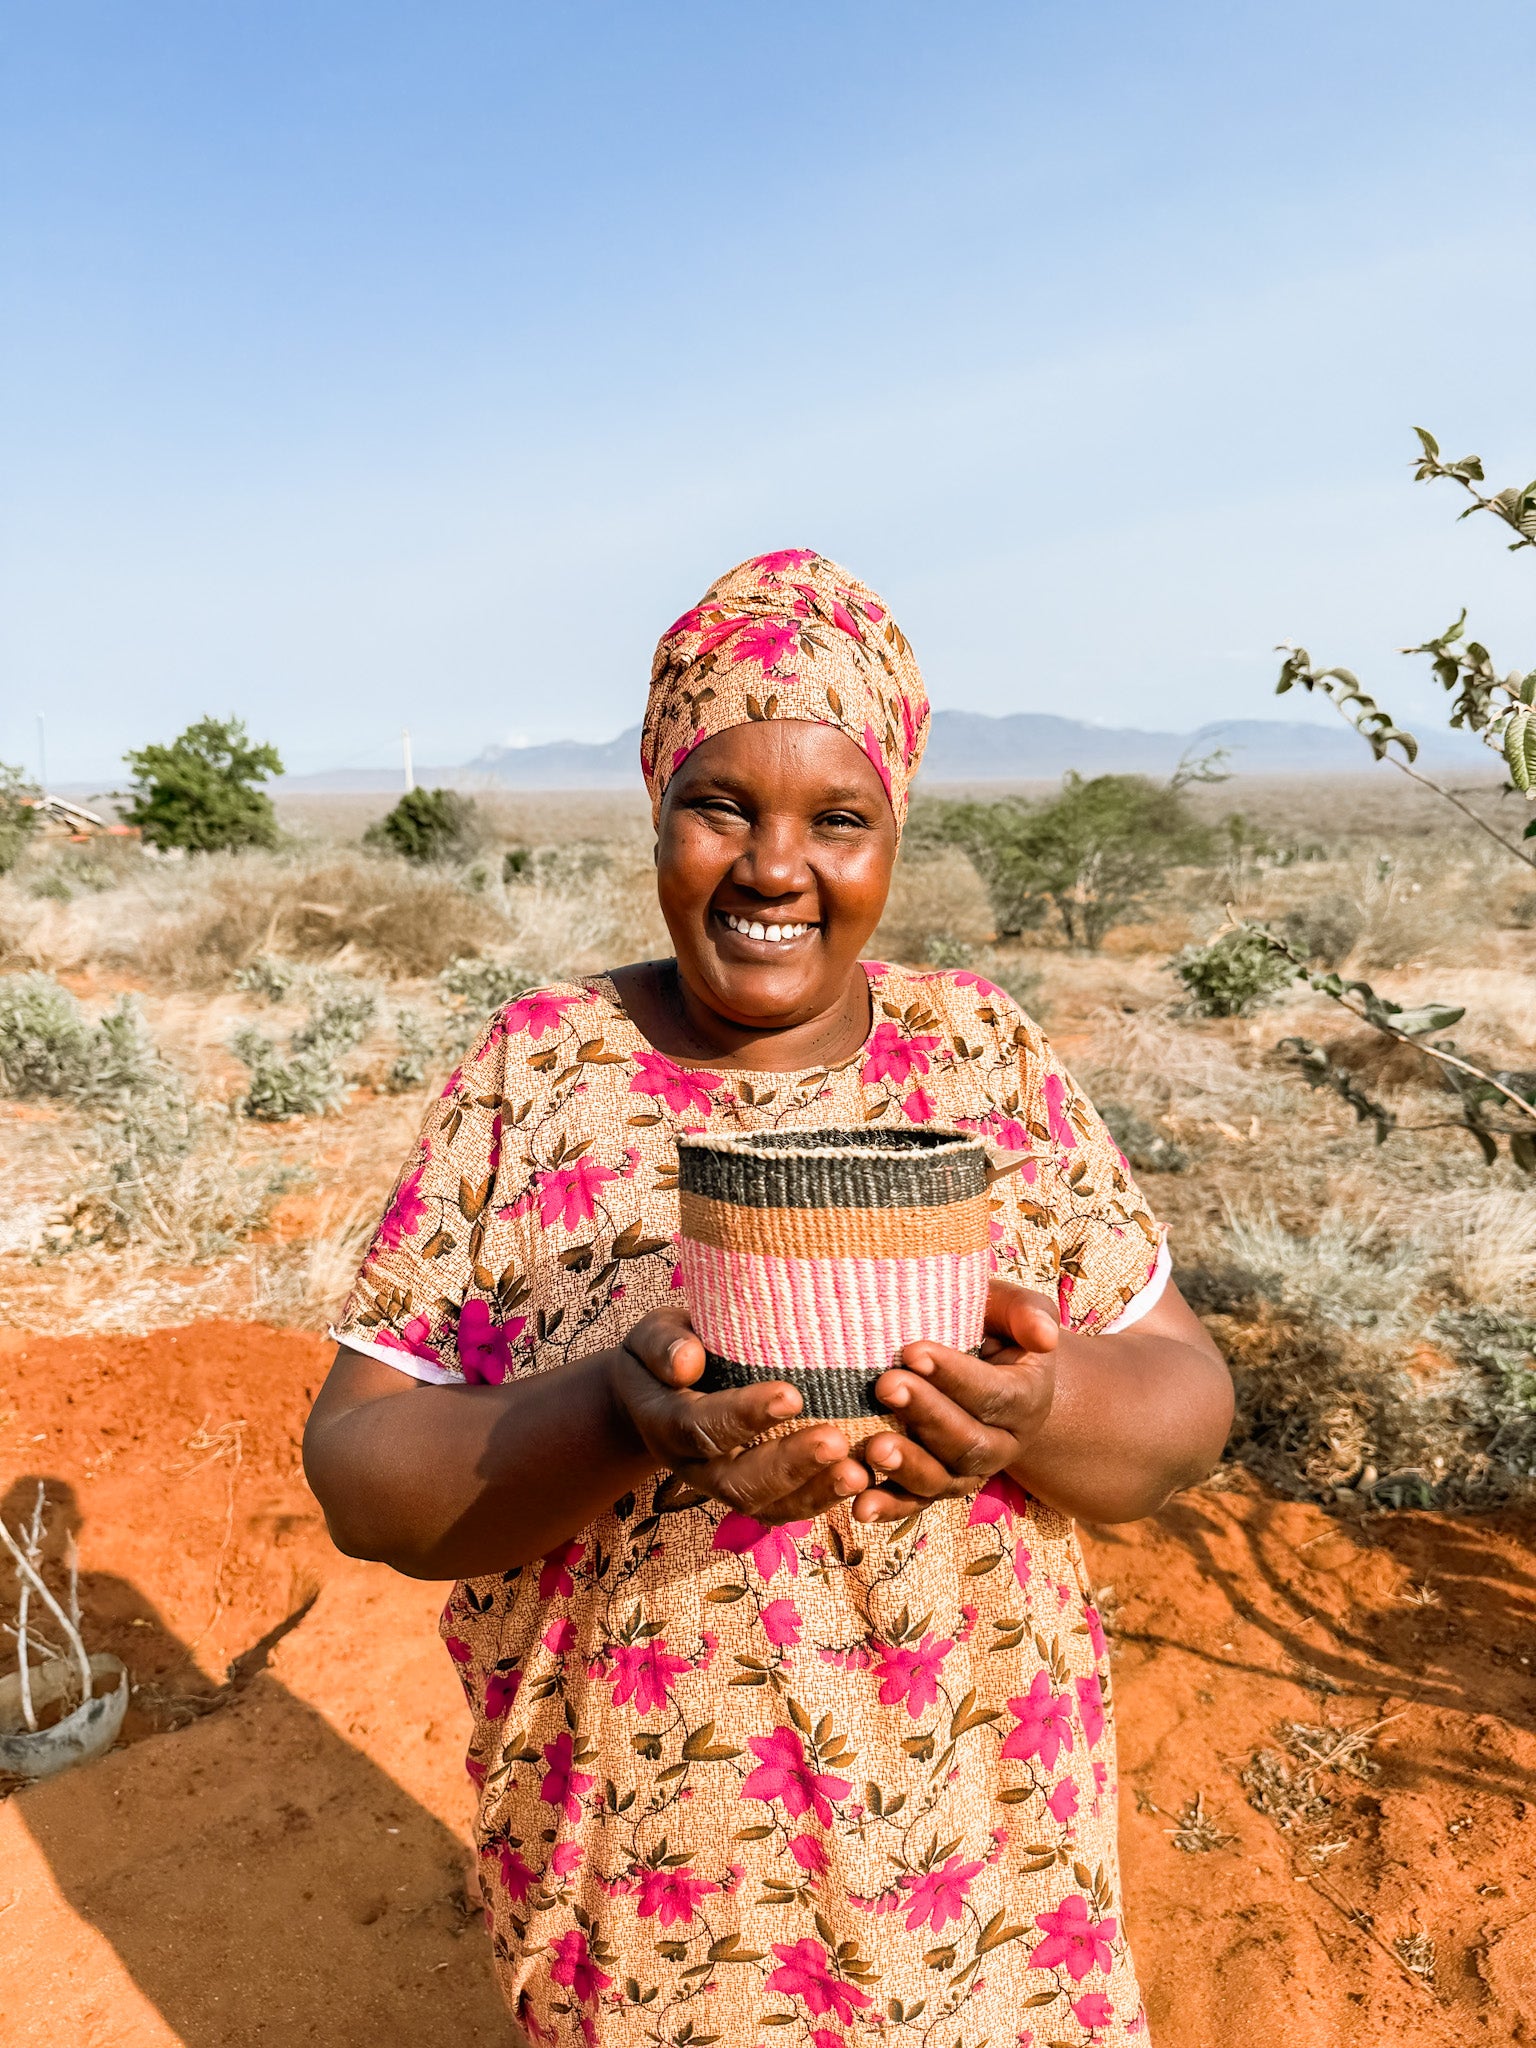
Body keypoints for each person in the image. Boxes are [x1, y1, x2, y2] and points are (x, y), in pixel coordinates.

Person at [304, 548, 1233, 2047]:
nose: (775, 868)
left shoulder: (983, 1056)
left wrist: (1039, 1409)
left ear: (895, 831)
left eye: (839, 819)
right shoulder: (536, 1072)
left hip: (988, 1868)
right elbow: (363, 1480)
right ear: (658, 807)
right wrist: (616, 1417)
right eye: (722, 805)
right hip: (659, 1891)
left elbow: (1183, 1410)